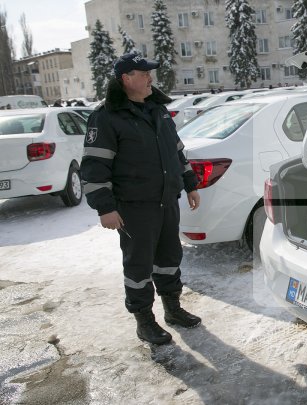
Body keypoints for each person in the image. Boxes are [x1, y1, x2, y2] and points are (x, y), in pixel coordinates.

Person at [81, 51, 202, 345]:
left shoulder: (157, 110)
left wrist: (190, 184)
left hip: (165, 202)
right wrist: (105, 208)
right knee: (139, 266)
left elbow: (177, 151)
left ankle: (172, 309)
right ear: (126, 79)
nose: (150, 78)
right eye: (143, 73)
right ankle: (144, 321)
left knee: (169, 258)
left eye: (150, 73)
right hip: (134, 208)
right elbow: (95, 166)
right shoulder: (107, 116)